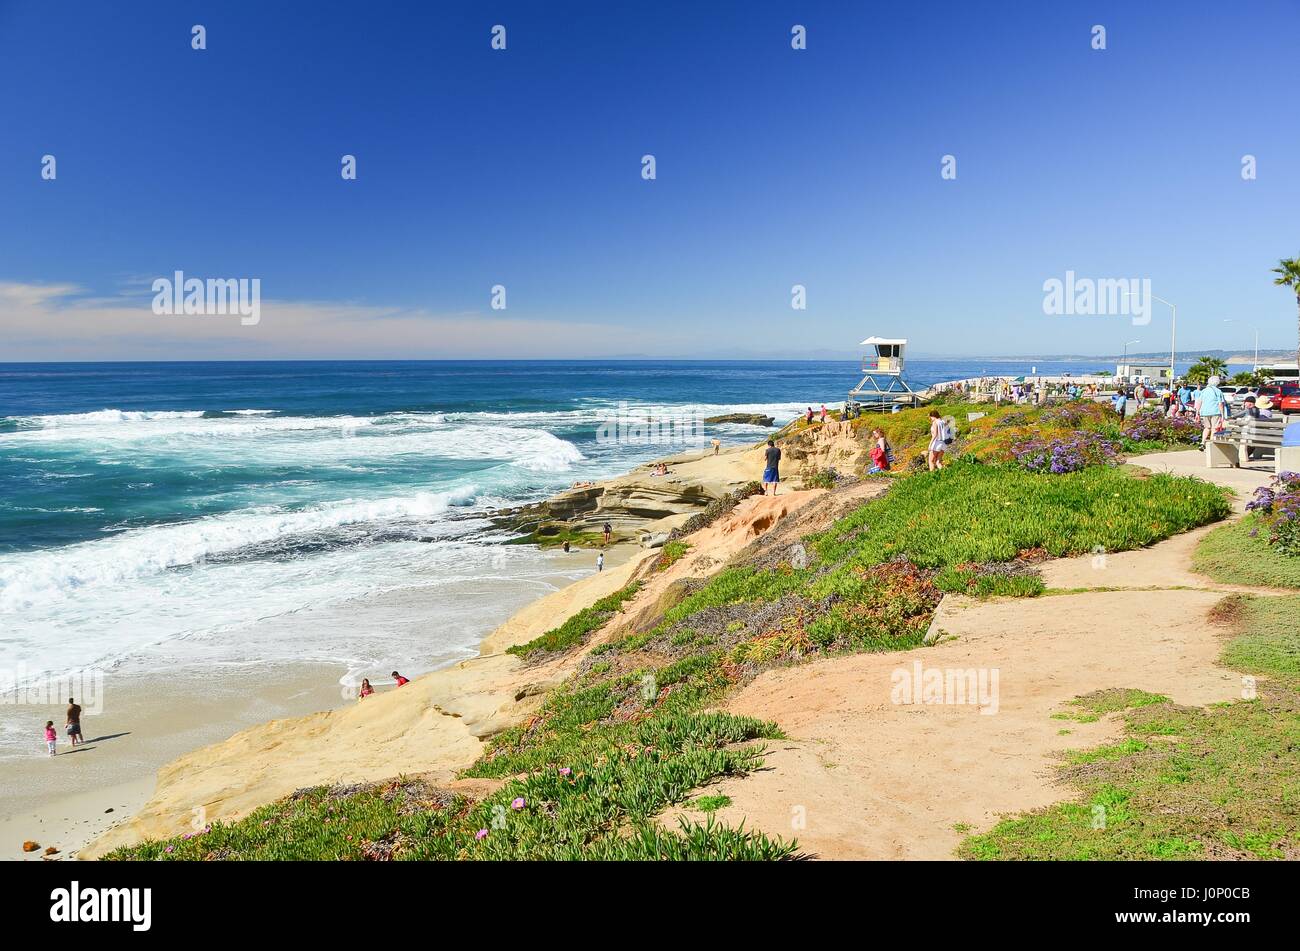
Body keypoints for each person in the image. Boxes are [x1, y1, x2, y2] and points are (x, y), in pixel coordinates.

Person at [1197, 375, 1226, 444]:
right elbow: (1220, 404)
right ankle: (1211, 443)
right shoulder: (1218, 391)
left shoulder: (1204, 391)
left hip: (1204, 412)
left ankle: (1202, 442)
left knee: (1207, 428)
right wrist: (1222, 415)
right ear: (1217, 383)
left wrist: (1197, 412)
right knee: (1214, 428)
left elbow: (1199, 402)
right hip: (1215, 412)